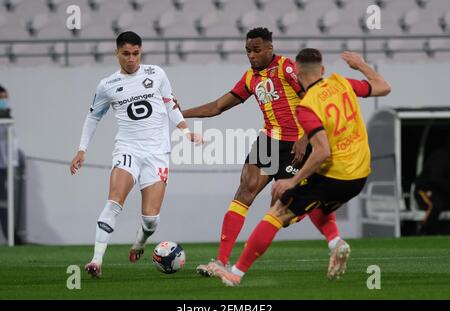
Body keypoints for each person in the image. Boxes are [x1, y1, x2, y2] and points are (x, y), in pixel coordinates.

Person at [213, 49, 391, 286]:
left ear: (296, 72)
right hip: (360, 174)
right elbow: (383, 87)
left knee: (276, 213)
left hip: (333, 174)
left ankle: (235, 273)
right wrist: (360, 64)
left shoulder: (306, 107)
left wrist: (292, 181)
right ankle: (335, 242)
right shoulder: (343, 84)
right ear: (324, 70)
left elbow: (322, 152)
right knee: (318, 204)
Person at [181, 27, 343, 277]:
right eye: (248, 51)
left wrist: (305, 136)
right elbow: (216, 106)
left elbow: (314, 100)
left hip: (296, 145)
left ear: (270, 48)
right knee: (245, 189)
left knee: (285, 207)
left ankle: (333, 240)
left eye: (256, 50)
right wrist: (179, 114)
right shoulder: (250, 78)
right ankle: (221, 261)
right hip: (268, 141)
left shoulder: (286, 68)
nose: (251, 55)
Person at [70, 31, 202, 278]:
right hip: (127, 149)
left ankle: (140, 241)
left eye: (136, 53)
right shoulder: (107, 85)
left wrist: (186, 131)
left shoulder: (156, 74)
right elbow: (93, 117)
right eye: (126, 54)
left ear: (141, 52)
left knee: (151, 220)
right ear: (117, 53)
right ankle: (96, 260)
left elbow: (170, 104)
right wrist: (82, 149)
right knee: (114, 202)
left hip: (157, 153)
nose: (132, 59)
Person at [0, 84, 26, 245]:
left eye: (5, 98)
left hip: (5, 166)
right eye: (1, 98)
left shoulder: (7, 116)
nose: (4, 101)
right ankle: (12, 237)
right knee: (3, 202)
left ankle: (13, 236)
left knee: (6, 203)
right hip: (2, 165)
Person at [414, 136, 450, 235]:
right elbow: (435, 179)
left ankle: (442, 232)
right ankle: (423, 230)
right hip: (425, 190)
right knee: (435, 205)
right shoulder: (440, 156)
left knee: (440, 203)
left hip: (441, 192)